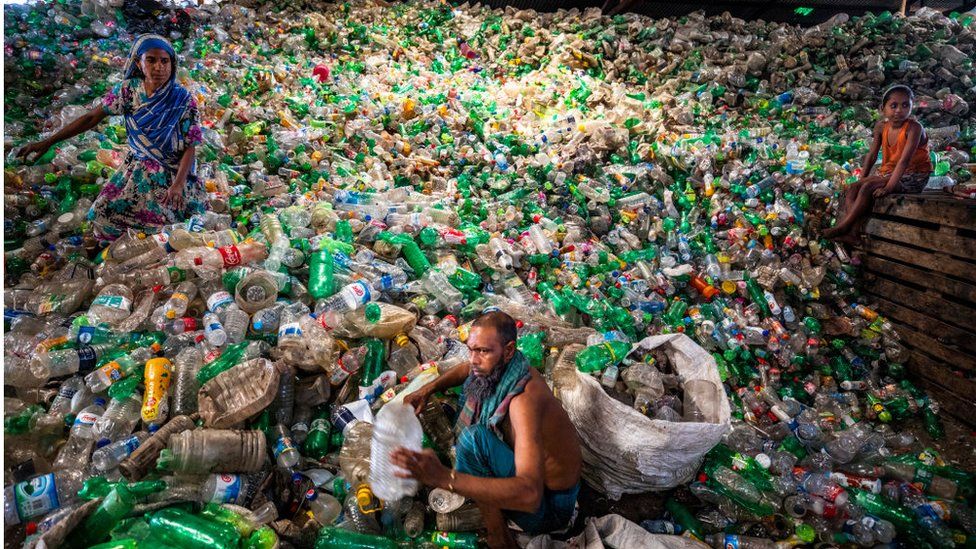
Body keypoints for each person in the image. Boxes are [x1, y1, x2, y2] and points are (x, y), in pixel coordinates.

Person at [393, 311, 582, 548]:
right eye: (471, 349)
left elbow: (530, 495)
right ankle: (471, 467)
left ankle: (499, 536)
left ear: (509, 349)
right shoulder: (505, 365)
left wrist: (445, 477)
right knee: (473, 385)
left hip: (549, 507)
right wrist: (427, 390)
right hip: (533, 484)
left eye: (483, 351)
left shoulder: (523, 402)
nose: (474, 359)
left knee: (473, 441)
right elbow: (466, 369)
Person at [17, 34, 207, 242]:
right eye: (151, 60)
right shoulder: (127, 91)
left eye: (165, 61)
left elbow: (191, 146)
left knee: (165, 231)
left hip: (173, 173)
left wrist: (178, 185)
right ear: (138, 63)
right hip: (136, 170)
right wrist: (48, 142)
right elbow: (90, 118)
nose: (159, 67)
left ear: (172, 64)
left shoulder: (183, 99)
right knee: (102, 216)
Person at [823, 84, 932, 245]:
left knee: (868, 188)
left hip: (914, 175)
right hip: (890, 172)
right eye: (893, 106)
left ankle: (844, 227)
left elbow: (904, 161)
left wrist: (888, 188)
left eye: (905, 105)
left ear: (911, 107)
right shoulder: (881, 127)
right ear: (883, 109)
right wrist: (861, 179)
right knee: (854, 187)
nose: (898, 110)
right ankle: (853, 233)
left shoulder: (914, 128)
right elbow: (872, 155)